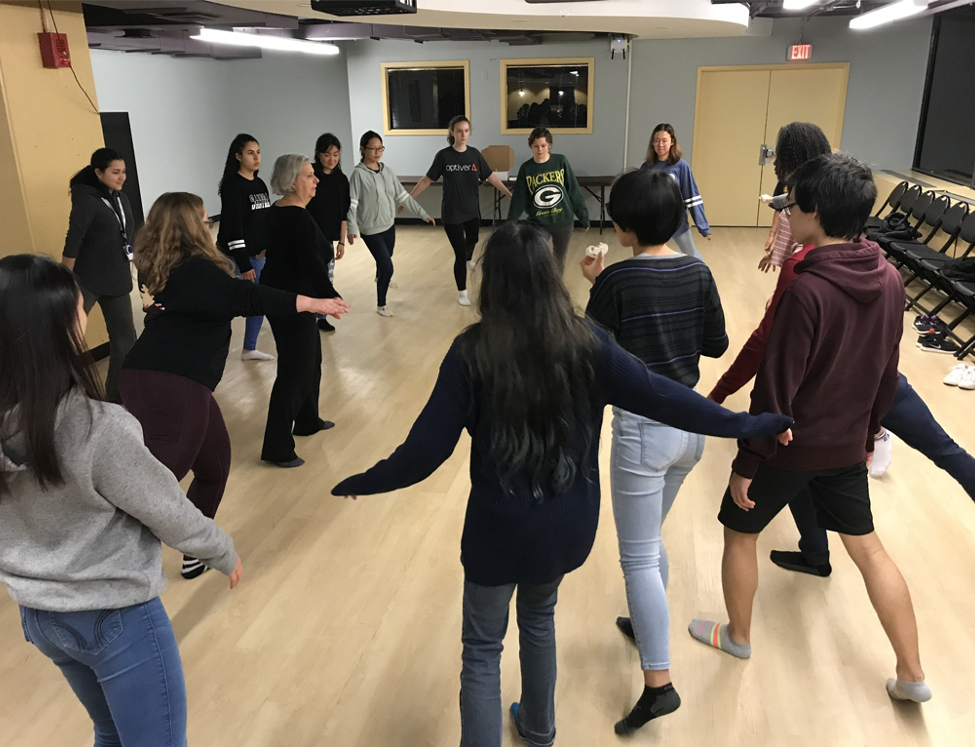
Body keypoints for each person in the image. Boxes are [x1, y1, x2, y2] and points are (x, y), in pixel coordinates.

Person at [331, 222, 793, 747]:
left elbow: (423, 453)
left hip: (495, 532)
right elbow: (666, 397)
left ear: (493, 283)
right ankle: (538, 729)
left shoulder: (471, 352)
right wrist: (750, 423)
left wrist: (368, 480)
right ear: (550, 278)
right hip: (566, 525)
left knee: (482, 650)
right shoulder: (588, 342)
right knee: (539, 618)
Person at [690, 153, 932, 704]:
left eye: (792, 206)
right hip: (846, 444)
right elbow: (885, 375)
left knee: (738, 530)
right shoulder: (891, 278)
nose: (786, 214)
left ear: (816, 213)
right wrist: (867, 437)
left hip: (790, 448)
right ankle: (913, 673)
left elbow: (776, 391)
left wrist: (746, 464)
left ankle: (738, 636)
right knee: (868, 548)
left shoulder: (807, 290)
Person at [0, 254, 243, 746]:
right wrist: (220, 549)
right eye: (79, 308)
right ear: (63, 328)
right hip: (113, 616)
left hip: (39, 616)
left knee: (109, 730)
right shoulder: (100, 429)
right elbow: (167, 508)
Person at [120, 192, 348, 578]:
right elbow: (247, 296)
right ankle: (109, 556)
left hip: (158, 375)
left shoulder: (171, 267)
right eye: (205, 217)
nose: (210, 222)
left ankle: (196, 549)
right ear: (192, 226)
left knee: (214, 465)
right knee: (157, 483)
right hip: (173, 381)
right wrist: (310, 303)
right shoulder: (198, 271)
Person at [580, 169, 728, 735]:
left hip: (643, 431)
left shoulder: (618, 280)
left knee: (638, 556)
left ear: (624, 226)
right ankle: (648, 626)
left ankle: (659, 685)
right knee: (649, 543)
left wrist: (595, 283)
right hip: (688, 426)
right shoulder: (698, 269)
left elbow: (593, 352)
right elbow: (715, 343)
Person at [262, 155, 348, 467]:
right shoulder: (294, 217)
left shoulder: (285, 211)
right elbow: (311, 263)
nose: (316, 181)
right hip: (290, 300)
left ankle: (308, 419)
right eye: (310, 176)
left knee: (312, 360)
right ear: (292, 180)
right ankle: (276, 445)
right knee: (295, 370)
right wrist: (331, 297)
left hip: (292, 295)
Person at [409, 115, 513, 306]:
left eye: (466, 130)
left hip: (472, 211)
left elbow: (491, 176)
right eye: (459, 131)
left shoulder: (474, 155)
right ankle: (462, 292)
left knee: (473, 239)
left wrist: (507, 192)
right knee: (458, 253)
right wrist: (409, 198)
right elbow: (427, 179)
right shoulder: (444, 156)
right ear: (452, 133)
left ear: (469, 132)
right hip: (452, 214)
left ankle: (468, 258)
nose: (463, 134)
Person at [62, 147, 137, 403]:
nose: (121, 177)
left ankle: (114, 400)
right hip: (87, 280)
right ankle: (58, 399)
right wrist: (65, 279)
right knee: (66, 339)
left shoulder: (121, 199)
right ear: (98, 172)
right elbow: (73, 241)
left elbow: (128, 237)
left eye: (123, 172)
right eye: (115, 172)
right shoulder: (86, 200)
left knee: (126, 342)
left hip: (117, 280)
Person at [346, 131, 435, 317]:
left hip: (388, 225)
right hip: (370, 229)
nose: (377, 152)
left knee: (387, 256)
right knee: (388, 266)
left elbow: (402, 196)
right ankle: (381, 305)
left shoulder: (387, 171)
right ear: (363, 149)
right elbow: (352, 203)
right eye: (373, 148)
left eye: (380, 148)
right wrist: (352, 228)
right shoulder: (358, 174)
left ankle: (380, 277)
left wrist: (423, 214)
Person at [217, 133, 274, 361]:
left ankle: (249, 348)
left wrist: (267, 246)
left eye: (258, 152)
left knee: (257, 302)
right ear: (238, 156)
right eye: (250, 153)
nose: (256, 157)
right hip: (232, 258)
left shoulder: (259, 184)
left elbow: (263, 221)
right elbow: (234, 228)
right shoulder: (233, 187)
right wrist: (243, 264)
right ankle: (210, 348)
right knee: (224, 305)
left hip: (257, 256)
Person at [507, 127, 590, 271]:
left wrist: (583, 216)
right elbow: (519, 199)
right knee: (535, 257)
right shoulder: (526, 169)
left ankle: (555, 291)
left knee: (559, 260)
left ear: (549, 145)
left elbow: (573, 190)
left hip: (562, 221)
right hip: (538, 222)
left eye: (543, 146)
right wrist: (509, 224)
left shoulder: (560, 161)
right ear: (531, 146)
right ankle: (539, 287)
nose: (540, 150)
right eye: (536, 146)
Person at [756, 123, 831, 273]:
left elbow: (800, 259)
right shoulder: (796, 196)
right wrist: (775, 254)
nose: (776, 163)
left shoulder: (808, 210)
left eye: (781, 158)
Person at [640, 124, 710, 260]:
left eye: (664, 140)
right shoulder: (646, 167)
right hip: (653, 222)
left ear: (672, 142)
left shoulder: (681, 166)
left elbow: (692, 197)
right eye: (656, 140)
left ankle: (702, 277)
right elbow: (641, 197)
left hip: (677, 221)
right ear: (652, 143)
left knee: (692, 255)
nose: (660, 144)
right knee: (648, 256)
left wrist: (703, 226)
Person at [306, 133, 351, 332]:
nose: (332, 159)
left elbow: (343, 214)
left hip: (328, 240)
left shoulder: (341, 180)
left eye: (336, 154)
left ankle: (322, 316)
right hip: (308, 236)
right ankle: (308, 314)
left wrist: (341, 242)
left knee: (327, 277)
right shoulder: (311, 176)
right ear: (318, 155)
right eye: (327, 154)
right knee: (310, 276)